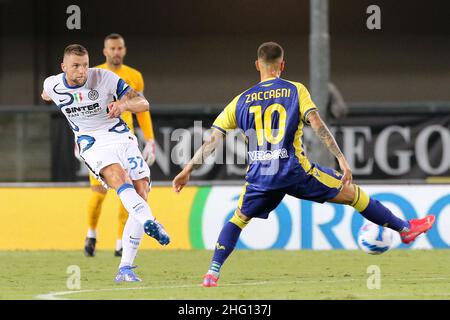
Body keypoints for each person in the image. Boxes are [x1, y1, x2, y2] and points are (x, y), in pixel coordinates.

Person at [172, 42, 435, 287]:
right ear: (282, 65)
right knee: (355, 196)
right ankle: (405, 229)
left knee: (238, 220)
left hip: (260, 176)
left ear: (257, 65)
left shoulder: (239, 100)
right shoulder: (295, 89)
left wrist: (187, 170)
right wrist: (341, 159)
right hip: (294, 170)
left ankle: (212, 272)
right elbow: (318, 125)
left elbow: (212, 142)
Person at [42, 44, 169, 282]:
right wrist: (47, 96)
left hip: (121, 137)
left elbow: (143, 104)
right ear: (63, 67)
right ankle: (150, 221)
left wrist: (122, 105)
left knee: (141, 193)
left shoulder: (105, 78)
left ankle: (125, 268)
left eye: (85, 65)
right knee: (117, 176)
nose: (82, 71)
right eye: (76, 66)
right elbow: (47, 94)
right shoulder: (52, 84)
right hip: (92, 143)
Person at [82, 33, 157, 258]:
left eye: (119, 48)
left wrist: (150, 139)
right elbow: (80, 111)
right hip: (99, 142)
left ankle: (120, 242)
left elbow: (141, 109)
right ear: (105, 51)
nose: (116, 52)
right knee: (97, 193)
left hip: (126, 141)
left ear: (124, 50)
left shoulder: (134, 76)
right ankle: (91, 234)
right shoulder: (91, 75)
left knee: (130, 190)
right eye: (112, 49)